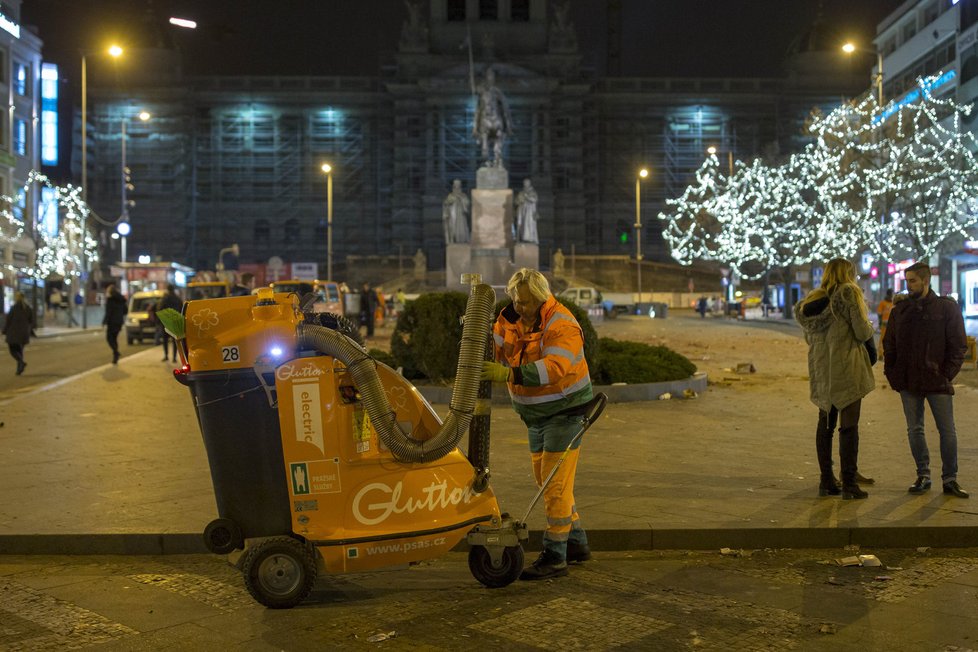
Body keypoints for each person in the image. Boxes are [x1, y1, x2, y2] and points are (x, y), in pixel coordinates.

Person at [482, 268, 592, 580]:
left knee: (554, 486)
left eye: (528, 303)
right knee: (547, 481)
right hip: (535, 417)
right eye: (517, 301)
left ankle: (555, 556)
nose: (521, 308)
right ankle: (577, 543)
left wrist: (509, 374)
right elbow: (496, 347)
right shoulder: (509, 319)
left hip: (567, 412)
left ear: (542, 299)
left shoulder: (561, 324)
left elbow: (555, 368)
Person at [883, 261, 969, 499]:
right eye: (906, 281)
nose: (908, 286)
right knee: (915, 429)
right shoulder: (900, 310)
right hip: (908, 380)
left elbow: (958, 345)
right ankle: (923, 475)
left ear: (925, 280)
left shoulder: (945, 308)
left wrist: (946, 373)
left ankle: (950, 479)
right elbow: (889, 344)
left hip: (936, 379)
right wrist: (893, 373)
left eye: (913, 281)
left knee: (947, 430)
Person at [795, 258, 875, 500]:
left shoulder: (811, 302)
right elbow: (862, 332)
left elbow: (810, 339)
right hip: (847, 369)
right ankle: (849, 485)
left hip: (822, 372)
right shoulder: (849, 293)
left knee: (825, 426)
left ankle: (827, 481)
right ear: (848, 273)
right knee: (849, 427)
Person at [472, 66, 512, 167]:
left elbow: (503, 102)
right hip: (484, 112)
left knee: (505, 111)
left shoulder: (496, 90)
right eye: (488, 75)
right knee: (477, 112)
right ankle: (475, 130)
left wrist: (503, 104)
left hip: (495, 112)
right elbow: (475, 90)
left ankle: (508, 127)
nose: (490, 77)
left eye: (492, 75)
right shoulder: (482, 88)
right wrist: (471, 78)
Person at [3, 291, 33, 375]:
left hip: (14, 332)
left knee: (12, 350)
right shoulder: (28, 308)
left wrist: (4, 330)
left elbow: (8, 321)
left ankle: (21, 362)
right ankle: (19, 369)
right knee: (20, 351)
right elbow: (31, 320)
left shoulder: (14, 308)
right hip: (24, 333)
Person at [102, 284, 128, 364]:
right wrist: (119, 315)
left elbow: (108, 312)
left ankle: (116, 352)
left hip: (112, 322)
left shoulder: (110, 300)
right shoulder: (121, 300)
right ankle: (115, 357)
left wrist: (104, 321)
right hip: (119, 322)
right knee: (114, 338)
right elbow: (125, 311)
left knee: (109, 338)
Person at [158, 284, 184, 363]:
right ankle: (174, 357)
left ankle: (166, 356)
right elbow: (181, 309)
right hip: (175, 322)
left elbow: (160, 308)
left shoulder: (165, 298)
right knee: (175, 340)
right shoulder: (177, 299)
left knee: (165, 340)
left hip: (166, 321)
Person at [442, 179, 470, 244]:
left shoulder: (463, 195)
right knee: (452, 228)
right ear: (453, 187)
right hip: (453, 215)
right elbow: (446, 203)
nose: (457, 188)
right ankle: (453, 239)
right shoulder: (450, 195)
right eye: (455, 186)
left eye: (458, 186)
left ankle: (463, 240)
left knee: (462, 229)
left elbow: (467, 203)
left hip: (461, 215)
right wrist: (449, 202)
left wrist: (461, 200)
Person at [514, 178, 539, 243]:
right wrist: (519, 200)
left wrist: (527, 197)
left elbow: (534, 200)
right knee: (522, 224)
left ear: (529, 183)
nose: (525, 184)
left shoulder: (533, 192)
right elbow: (516, 201)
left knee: (529, 224)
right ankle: (523, 238)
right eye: (524, 183)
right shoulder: (521, 192)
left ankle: (529, 238)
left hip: (530, 211)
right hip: (522, 210)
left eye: (527, 183)